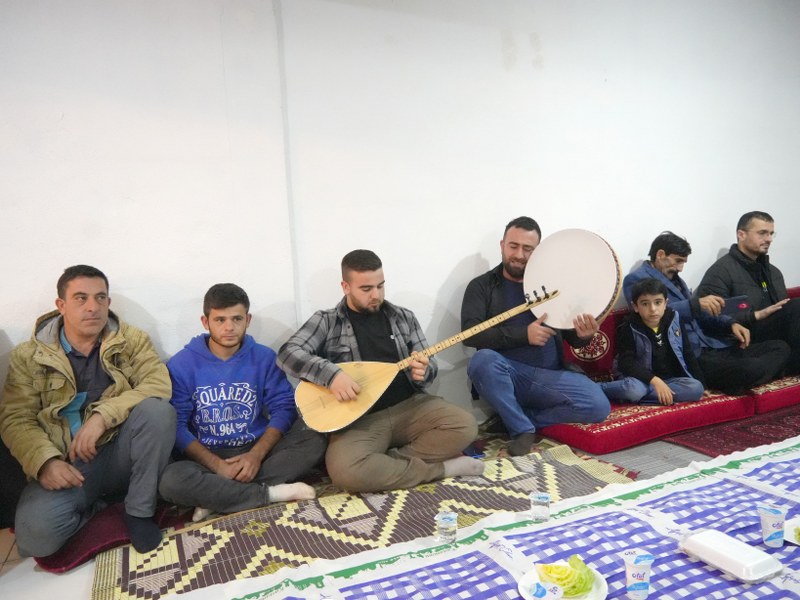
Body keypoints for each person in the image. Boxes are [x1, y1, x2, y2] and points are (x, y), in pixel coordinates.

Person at [0, 265, 175, 557]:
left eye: (101, 298)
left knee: (158, 412)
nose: (93, 307)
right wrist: (44, 463)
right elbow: (16, 419)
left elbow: (157, 384)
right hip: (69, 466)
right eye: (81, 298)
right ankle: (101, 504)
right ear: (61, 305)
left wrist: (102, 416)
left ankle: (139, 511)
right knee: (35, 540)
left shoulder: (131, 340)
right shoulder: (28, 356)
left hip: (120, 451)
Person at [277, 250, 483, 493]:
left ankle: (384, 464)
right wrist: (332, 376)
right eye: (366, 289)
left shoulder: (404, 317)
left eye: (380, 286)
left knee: (465, 426)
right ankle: (441, 470)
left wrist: (423, 371)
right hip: (360, 417)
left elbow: (429, 366)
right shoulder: (328, 321)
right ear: (346, 286)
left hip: (410, 407)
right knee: (346, 473)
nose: (376, 295)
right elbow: (287, 353)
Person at [158, 284, 326, 521]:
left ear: (247, 319)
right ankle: (269, 493)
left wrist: (256, 455)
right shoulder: (182, 364)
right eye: (220, 320)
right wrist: (216, 465)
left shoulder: (264, 357)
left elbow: (283, 407)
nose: (229, 327)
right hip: (206, 457)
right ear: (205, 322)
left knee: (314, 437)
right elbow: (177, 426)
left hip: (257, 450)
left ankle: (217, 496)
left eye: (237, 319)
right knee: (169, 480)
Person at [461, 217, 610, 457]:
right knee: (482, 361)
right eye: (513, 246)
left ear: (538, 251)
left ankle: (519, 418)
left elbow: (573, 338)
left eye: (527, 249)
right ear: (502, 245)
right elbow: (470, 334)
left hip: (550, 378)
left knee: (599, 406)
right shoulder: (481, 286)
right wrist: (523, 334)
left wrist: (584, 336)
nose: (519, 254)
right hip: (509, 376)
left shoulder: (552, 285)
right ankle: (522, 430)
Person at [625, 231, 789, 394]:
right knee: (750, 367)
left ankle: (740, 381)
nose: (680, 268)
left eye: (684, 262)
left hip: (713, 344)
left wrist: (730, 324)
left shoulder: (676, 281)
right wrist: (694, 304)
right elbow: (657, 315)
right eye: (678, 261)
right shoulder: (636, 279)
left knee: (780, 348)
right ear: (660, 255)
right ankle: (741, 379)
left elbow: (702, 313)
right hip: (692, 355)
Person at [697, 211, 800, 374]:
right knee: (797, 306)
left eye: (771, 233)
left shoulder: (774, 272)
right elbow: (709, 318)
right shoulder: (721, 271)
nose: (769, 239)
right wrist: (754, 315)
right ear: (741, 234)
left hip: (774, 337)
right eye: (762, 233)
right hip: (742, 338)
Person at [599, 278, 704, 405]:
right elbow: (626, 362)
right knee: (633, 390)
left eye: (658, 302)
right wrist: (655, 381)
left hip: (669, 380)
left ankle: (646, 397)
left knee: (696, 388)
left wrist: (701, 383)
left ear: (665, 303)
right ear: (635, 307)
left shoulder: (674, 319)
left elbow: (687, 352)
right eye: (645, 304)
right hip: (640, 380)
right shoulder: (629, 326)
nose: (653, 309)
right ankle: (601, 388)